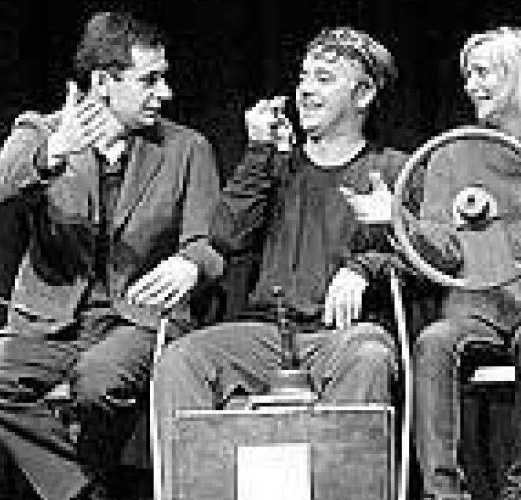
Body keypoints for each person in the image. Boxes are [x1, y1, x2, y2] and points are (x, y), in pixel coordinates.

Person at [0, 11, 223, 500]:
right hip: (49, 324)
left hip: (136, 322)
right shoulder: (42, 131)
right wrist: (55, 150)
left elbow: (209, 243)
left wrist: (192, 263)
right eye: (149, 80)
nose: (164, 92)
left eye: (163, 78)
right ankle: (84, 491)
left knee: (98, 380)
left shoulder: (187, 149)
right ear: (102, 83)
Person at [346, 26, 521, 500]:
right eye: (468, 75)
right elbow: (442, 252)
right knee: (433, 342)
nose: (472, 86)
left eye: (484, 73)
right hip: (478, 311)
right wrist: (396, 219)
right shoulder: (453, 155)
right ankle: (443, 492)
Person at [152, 26, 422, 458]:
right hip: (269, 334)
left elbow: (426, 262)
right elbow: (225, 235)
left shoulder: (395, 170)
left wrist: (365, 266)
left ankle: (344, 485)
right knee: (183, 360)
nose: (306, 90)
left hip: (345, 337)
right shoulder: (277, 166)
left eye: (324, 79)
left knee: (369, 357)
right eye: (303, 78)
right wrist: (259, 151)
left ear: (364, 94)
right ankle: (196, 485)